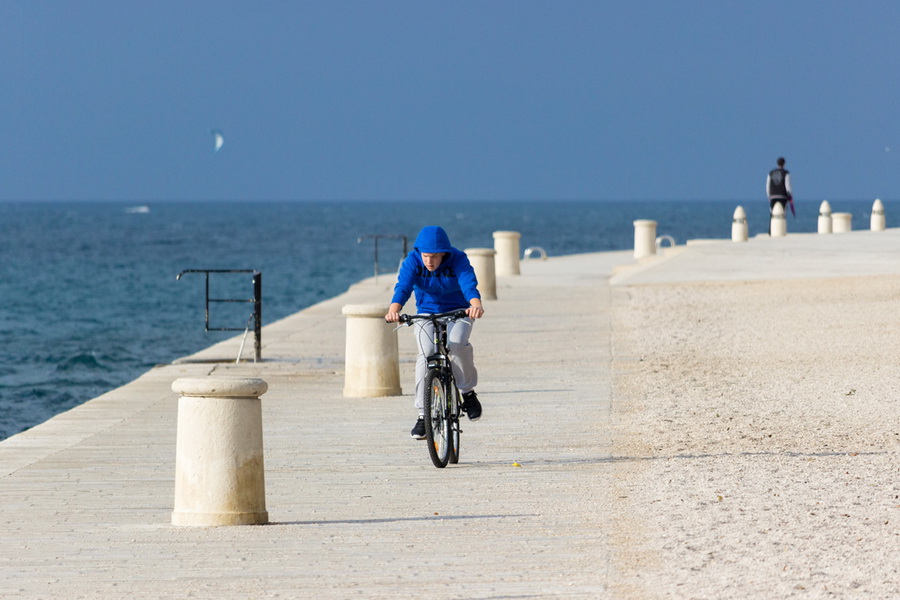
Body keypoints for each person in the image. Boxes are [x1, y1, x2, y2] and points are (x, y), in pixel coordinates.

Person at [385, 226, 484, 439]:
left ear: (444, 254)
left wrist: (475, 304)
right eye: (426, 256)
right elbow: (403, 287)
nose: (429, 261)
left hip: (459, 311)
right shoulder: (412, 261)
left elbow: (468, 284)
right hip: (426, 313)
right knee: (426, 353)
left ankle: (468, 393)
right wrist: (394, 309)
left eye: (434, 257)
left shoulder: (458, 259)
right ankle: (424, 414)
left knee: (456, 345)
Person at [766, 157, 793, 234]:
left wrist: (769, 196)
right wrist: (790, 196)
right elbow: (788, 186)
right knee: (782, 213)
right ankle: (781, 230)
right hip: (782, 196)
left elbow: (767, 185)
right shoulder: (786, 173)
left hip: (773, 196)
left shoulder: (770, 173)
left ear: (777, 163)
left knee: (772, 213)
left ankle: (770, 230)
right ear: (784, 164)